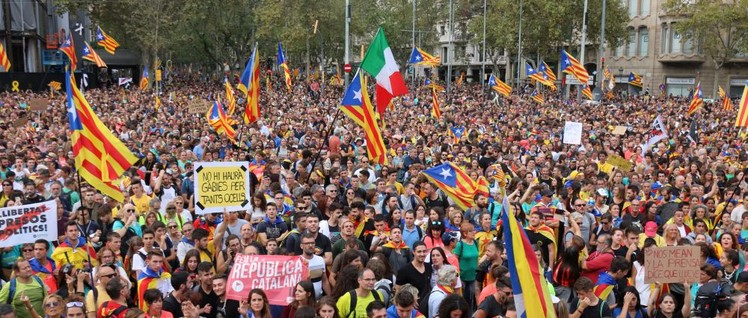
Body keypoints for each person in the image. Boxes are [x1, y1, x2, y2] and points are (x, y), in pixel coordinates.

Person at [300, 233, 332, 298]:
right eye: (307, 243)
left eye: (312, 243)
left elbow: (325, 280)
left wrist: (330, 298)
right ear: (301, 246)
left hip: (318, 301)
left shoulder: (320, 260)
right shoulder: (297, 261)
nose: (310, 245)